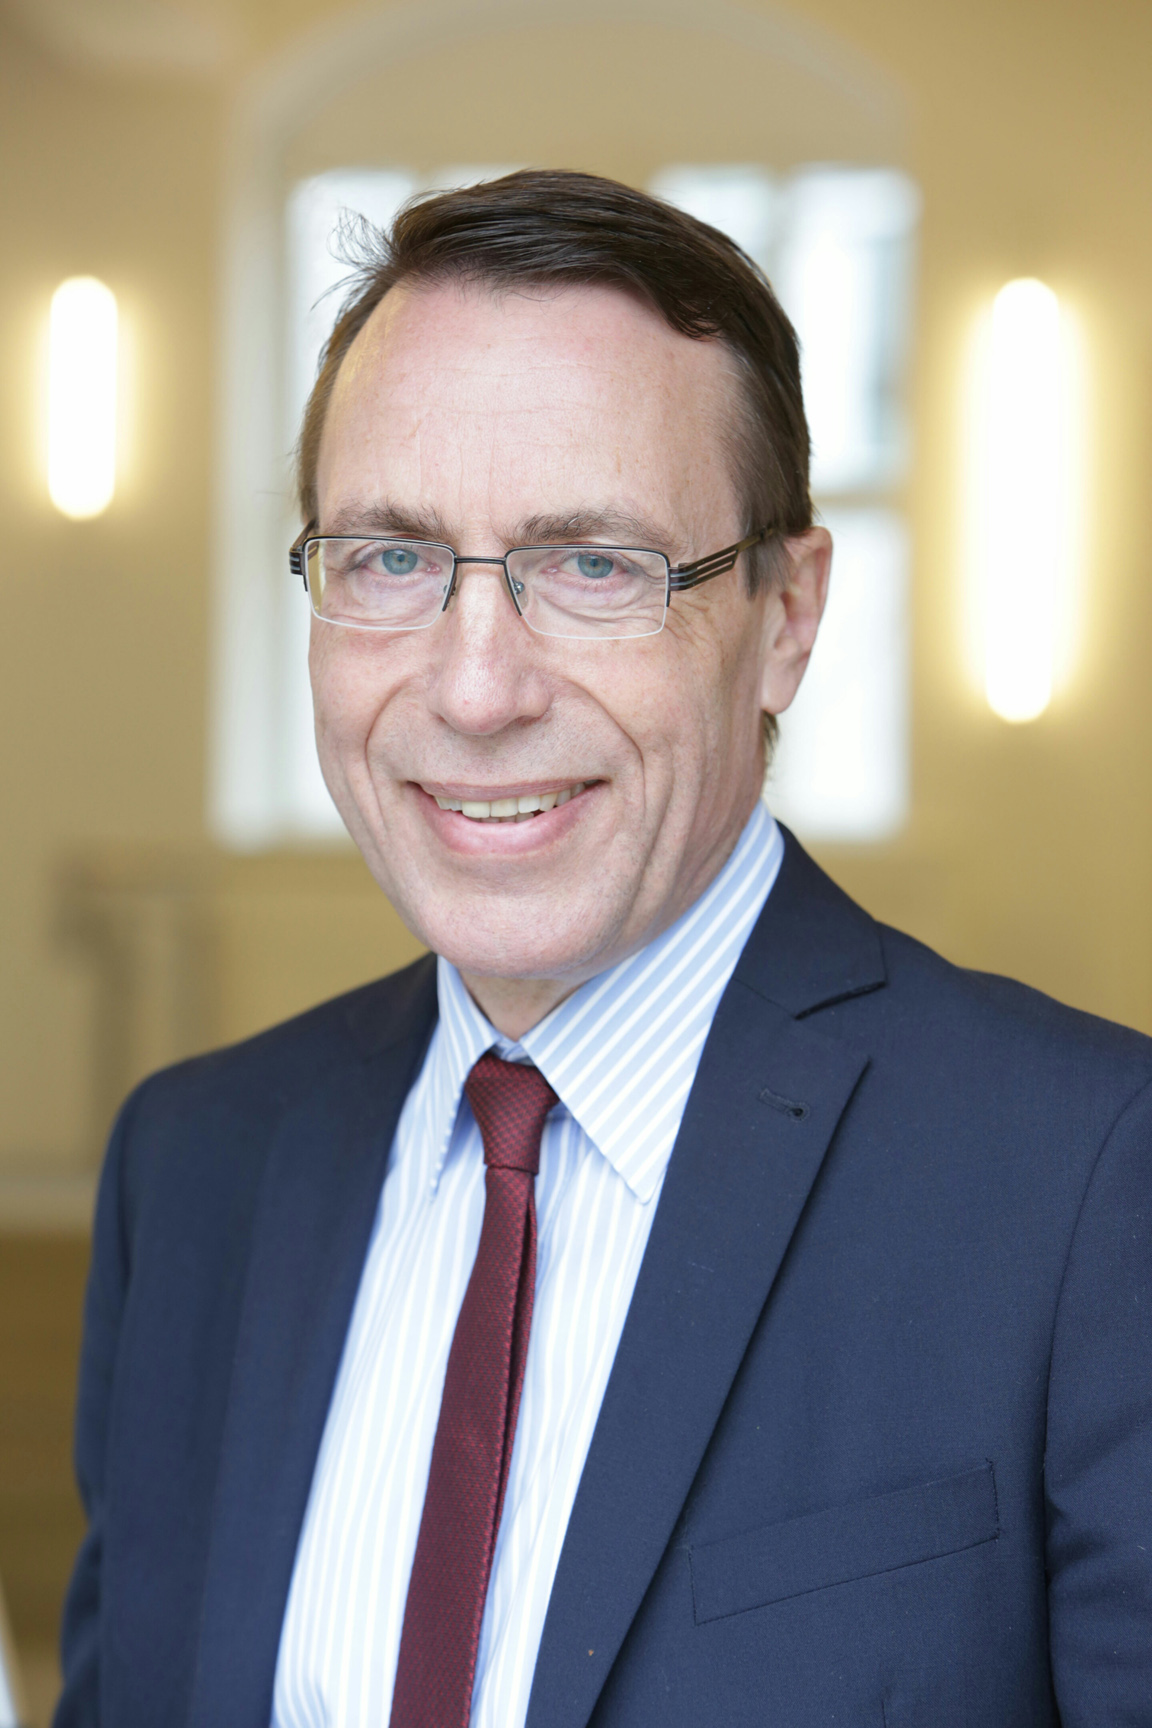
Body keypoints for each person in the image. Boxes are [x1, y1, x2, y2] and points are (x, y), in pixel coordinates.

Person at [57, 171, 1151, 1728]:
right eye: (389, 558)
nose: (475, 689)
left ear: (786, 616)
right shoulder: (194, 1169)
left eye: (593, 565)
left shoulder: (1091, 1181)